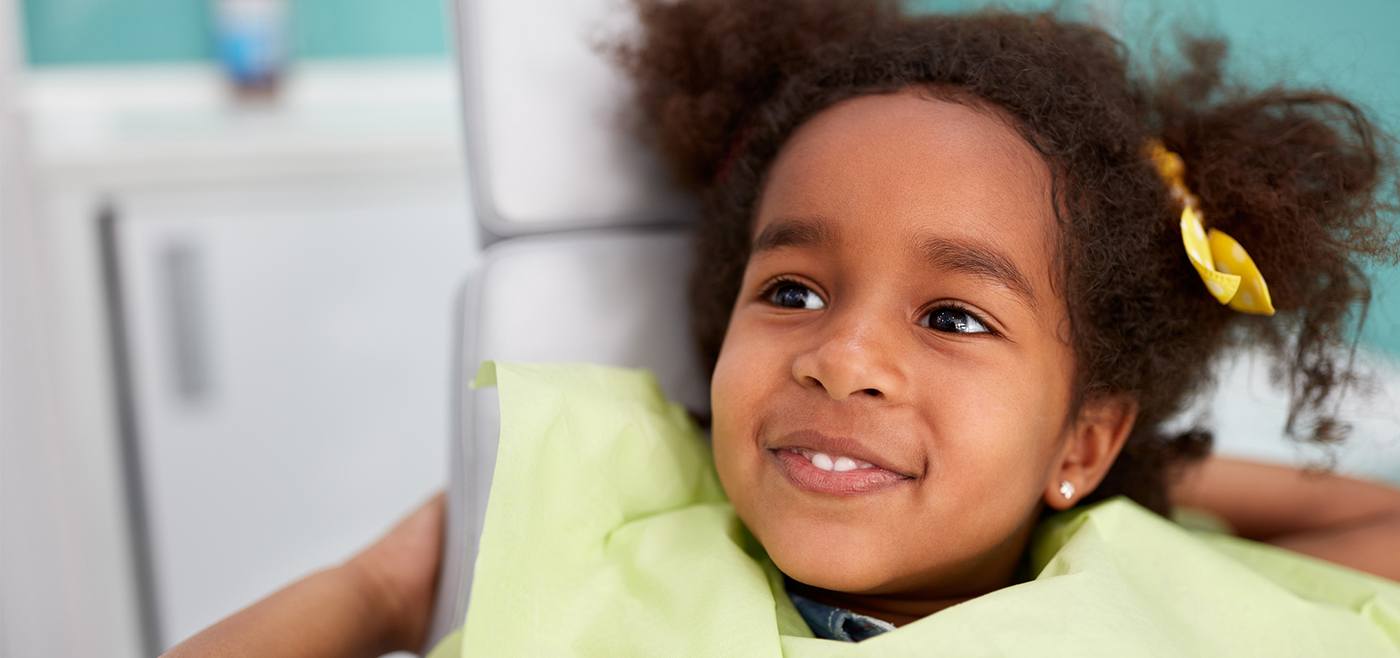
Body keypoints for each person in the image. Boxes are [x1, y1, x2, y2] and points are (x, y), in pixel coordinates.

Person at [166, 1, 1400, 655]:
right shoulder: (615, 528)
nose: (839, 356)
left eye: (953, 315)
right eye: (792, 290)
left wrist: (1108, 481)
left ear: (1084, 434)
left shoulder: (1146, 587)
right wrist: (383, 588)